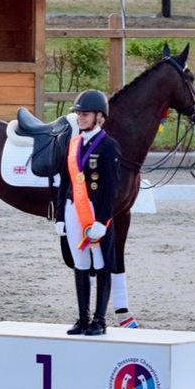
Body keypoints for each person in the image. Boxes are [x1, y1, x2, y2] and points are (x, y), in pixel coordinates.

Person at [55, 89, 121, 336]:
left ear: (99, 117)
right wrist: (61, 216)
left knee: (100, 263)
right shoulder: (72, 144)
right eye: (79, 113)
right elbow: (65, 182)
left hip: (94, 213)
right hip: (74, 208)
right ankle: (82, 318)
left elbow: (111, 189)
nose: (80, 118)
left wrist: (103, 221)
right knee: (80, 263)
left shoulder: (108, 147)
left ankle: (100, 319)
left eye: (86, 114)